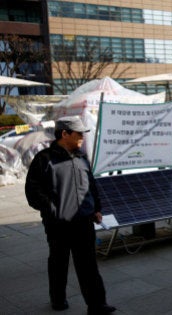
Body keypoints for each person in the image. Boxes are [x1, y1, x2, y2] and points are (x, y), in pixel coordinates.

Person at [25, 116, 116, 314]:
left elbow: (91, 186)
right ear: (64, 134)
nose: (83, 137)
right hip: (58, 224)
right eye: (79, 133)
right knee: (59, 263)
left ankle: (97, 304)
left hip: (84, 221)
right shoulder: (44, 159)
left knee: (88, 265)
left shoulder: (82, 158)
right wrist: (54, 210)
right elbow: (33, 193)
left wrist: (96, 208)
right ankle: (58, 299)